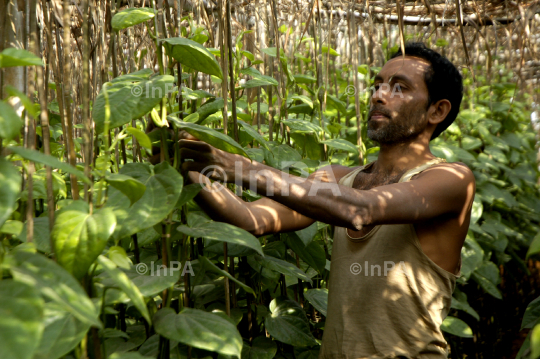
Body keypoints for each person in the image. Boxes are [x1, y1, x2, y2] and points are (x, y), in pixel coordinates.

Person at [176, 42, 475, 358]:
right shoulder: (337, 177)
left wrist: (240, 168)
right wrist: (190, 167)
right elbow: (248, 219)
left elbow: (361, 209)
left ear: (437, 110)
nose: (378, 95)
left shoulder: (451, 180)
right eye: (377, 85)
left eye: (399, 88)